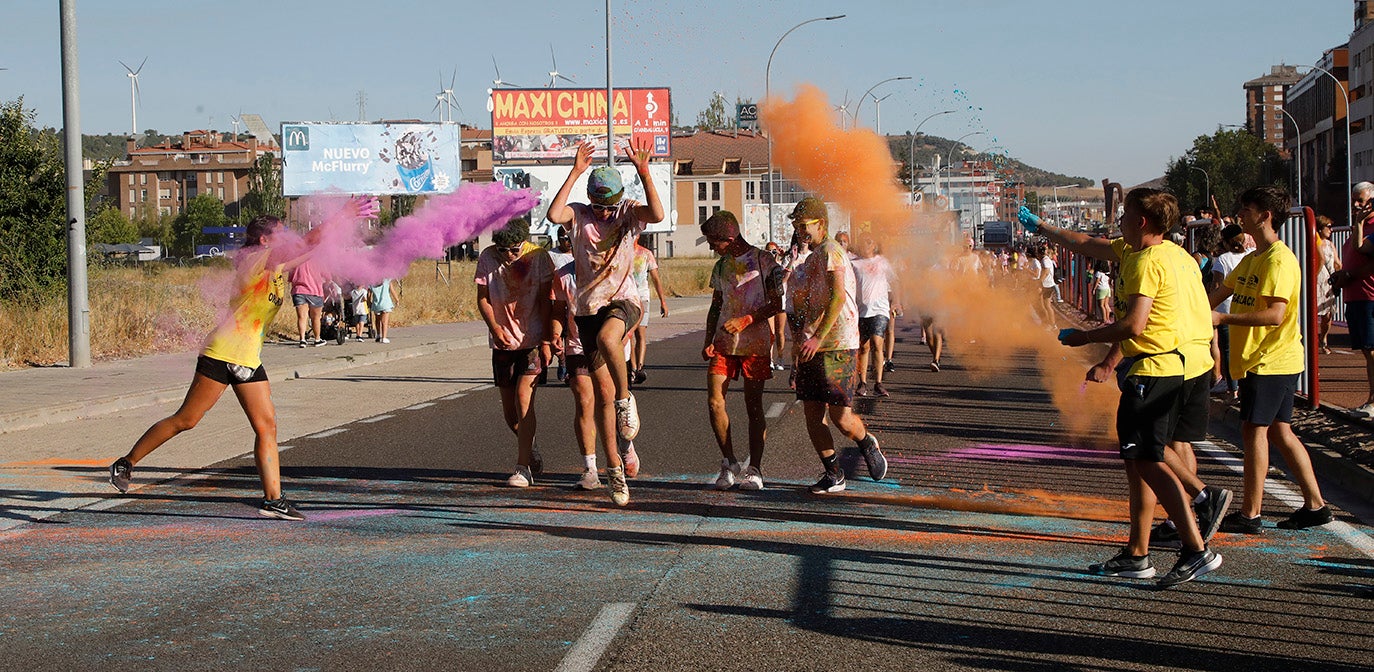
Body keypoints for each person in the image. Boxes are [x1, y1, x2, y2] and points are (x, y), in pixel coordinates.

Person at [107, 200, 377, 520]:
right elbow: (305, 243)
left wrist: (347, 232)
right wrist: (342, 214)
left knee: (267, 427)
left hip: (248, 358)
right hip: (222, 352)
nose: (287, 238)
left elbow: (313, 248)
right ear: (264, 240)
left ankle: (273, 500)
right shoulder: (255, 260)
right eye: (280, 233)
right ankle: (125, 463)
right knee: (186, 420)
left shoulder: (277, 267)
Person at [1036, 188, 1224, 588]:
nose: (1118, 221)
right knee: (1141, 460)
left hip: (1155, 369)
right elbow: (1087, 243)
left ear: (1142, 222)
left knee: (1150, 460)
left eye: (1125, 215)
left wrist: (1086, 338)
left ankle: (1195, 543)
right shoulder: (1176, 255)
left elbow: (1135, 325)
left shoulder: (1143, 262)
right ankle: (1140, 551)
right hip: (1185, 366)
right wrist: (1043, 228)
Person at [545, 138, 665, 506]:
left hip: (623, 300)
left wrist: (645, 173)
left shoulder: (629, 212)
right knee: (602, 400)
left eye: (609, 206)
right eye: (599, 206)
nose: (604, 213)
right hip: (586, 310)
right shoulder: (579, 215)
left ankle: (628, 398)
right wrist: (576, 171)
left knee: (612, 345)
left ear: (619, 201)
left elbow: (658, 215)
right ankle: (614, 471)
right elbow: (553, 215)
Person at [1213, 186, 1332, 533]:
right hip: (1261, 361)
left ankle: (1251, 513)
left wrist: (1223, 319)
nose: (1241, 214)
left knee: (1254, 431)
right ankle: (1315, 505)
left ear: (1265, 216)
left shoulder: (1279, 259)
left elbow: (1275, 315)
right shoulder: (1252, 259)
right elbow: (1220, 293)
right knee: (1281, 432)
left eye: (1247, 209)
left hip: (1271, 360)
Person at [786, 197, 887, 494]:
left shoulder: (832, 252)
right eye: (796, 224)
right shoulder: (810, 259)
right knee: (812, 413)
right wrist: (801, 337)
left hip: (838, 343)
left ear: (821, 224)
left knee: (840, 417)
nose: (799, 230)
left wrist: (818, 337)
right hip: (812, 345)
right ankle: (833, 473)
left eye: (803, 224)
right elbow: (804, 305)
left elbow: (838, 298)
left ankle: (867, 441)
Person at [700, 211, 783, 490]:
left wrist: (747, 320)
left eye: (715, 242)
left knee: (753, 406)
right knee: (714, 401)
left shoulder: (764, 261)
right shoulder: (721, 266)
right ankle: (729, 461)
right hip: (724, 343)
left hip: (755, 344)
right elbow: (716, 305)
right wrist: (708, 338)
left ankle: (755, 468)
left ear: (730, 238)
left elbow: (776, 305)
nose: (712, 247)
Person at [475, 218, 554, 489]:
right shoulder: (488, 257)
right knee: (510, 415)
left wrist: (546, 340)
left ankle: (522, 469)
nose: (509, 255)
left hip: (531, 339)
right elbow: (482, 298)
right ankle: (529, 450)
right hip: (503, 343)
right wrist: (495, 329)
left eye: (514, 249)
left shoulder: (538, 257)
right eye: (503, 249)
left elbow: (546, 300)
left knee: (524, 401)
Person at [1333, 182, 1374, 417]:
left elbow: (1365, 257)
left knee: (1372, 349)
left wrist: (1350, 275)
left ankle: (1373, 401)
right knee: (1367, 350)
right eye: (1354, 200)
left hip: (1369, 295)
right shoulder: (1358, 227)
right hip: (1356, 296)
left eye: (1361, 200)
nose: (1356, 205)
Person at [852, 232, 900, 397]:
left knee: (877, 343)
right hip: (861, 311)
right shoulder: (854, 264)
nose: (866, 245)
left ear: (874, 245)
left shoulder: (883, 262)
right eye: (863, 242)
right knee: (863, 347)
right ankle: (863, 383)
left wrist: (896, 302)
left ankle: (878, 383)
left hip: (880, 309)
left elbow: (895, 281)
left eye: (869, 242)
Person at [1210, 224, 1251, 400]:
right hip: (1245, 307)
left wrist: (1210, 305)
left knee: (1227, 349)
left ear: (1225, 243)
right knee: (1245, 346)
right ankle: (1244, 384)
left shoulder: (1223, 260)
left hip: (1225, 308)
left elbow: (1217, 286)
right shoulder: (1251, 255)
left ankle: (1232, 387)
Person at [629, 236, 670, 385]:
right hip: (626, 298)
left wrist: (662, 301)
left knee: (640, 333)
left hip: (642, 297)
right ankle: (632, 368)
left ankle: (639, 367)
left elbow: (656, 279)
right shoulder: (621, 252)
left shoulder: (646, 254)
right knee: (628, 336)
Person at [1314, 216, 1341, 355]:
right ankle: (1312, 340)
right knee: (1313, 312)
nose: (1331, 230)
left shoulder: (1330, 244)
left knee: (1328, 314)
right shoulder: (1313, 242)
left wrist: (1340, 274)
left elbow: (1337, 262)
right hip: (1317, 279)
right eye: (1328, 227)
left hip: (1328, 282)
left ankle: (1323, 339)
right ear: (1320, 228)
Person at [290, 259, 327, 347]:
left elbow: (291, 278)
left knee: (302, 317)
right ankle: (317, 339)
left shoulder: (296, 260)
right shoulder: (319, 260)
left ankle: (302, 339)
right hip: (315, 291)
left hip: (299, 291)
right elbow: (327, 277)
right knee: (316, 318)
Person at [370, 278, 398, 344]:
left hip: (376, 304)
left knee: (377, 320)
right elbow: (392, 290)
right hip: (386, 303)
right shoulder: (387, 281)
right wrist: (397, 299)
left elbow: (369, 293)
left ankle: (378, 334)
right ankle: (384, 337)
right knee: (384, 321)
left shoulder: (372, 282)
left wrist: (369, 302)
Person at [1092, 259, 1113, 324]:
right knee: (1106, 304)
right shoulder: (1107, 273)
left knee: (1101, 305)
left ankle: (1104, 319)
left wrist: (1094, 289)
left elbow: (1097, 281)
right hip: (1107, 289)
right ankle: (1108, 319)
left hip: (1101, 289)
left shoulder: (1098, 273)